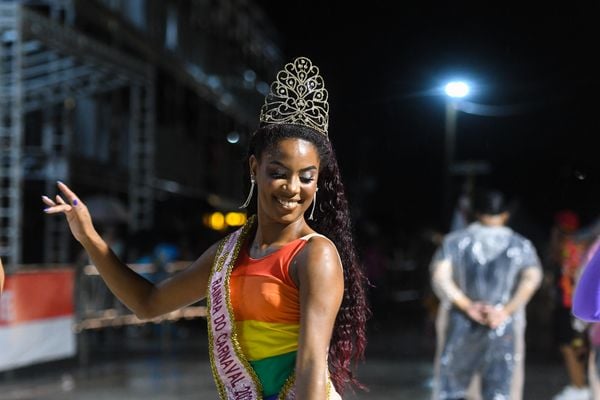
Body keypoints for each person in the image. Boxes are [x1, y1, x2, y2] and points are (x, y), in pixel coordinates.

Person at [42, 56, 369, 400]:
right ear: (254, 168)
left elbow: (312, 371)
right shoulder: (229, 253)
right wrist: (89, 237)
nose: (292, 187)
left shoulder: (315, 256)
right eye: (278, 172)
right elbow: (148, 303)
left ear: (318, 184)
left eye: (307, 177)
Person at [429, 188, 542, 400]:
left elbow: (440, 277)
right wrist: (505, 311)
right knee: (500, 390)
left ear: (477, 213)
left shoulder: (455, 242)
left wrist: (467, 305)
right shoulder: (520, 245)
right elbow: (532, 279)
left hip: (463, 322)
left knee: (452, 388)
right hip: (503, 325)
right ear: (506, 214)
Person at [546, 210, 591, 400]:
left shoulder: (570, 247)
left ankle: (579, 387)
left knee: (571, 346)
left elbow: (573, 276)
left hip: (571, 306)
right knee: (574, 346)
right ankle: (579, 386)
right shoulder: (575, 246)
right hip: (570, 305)